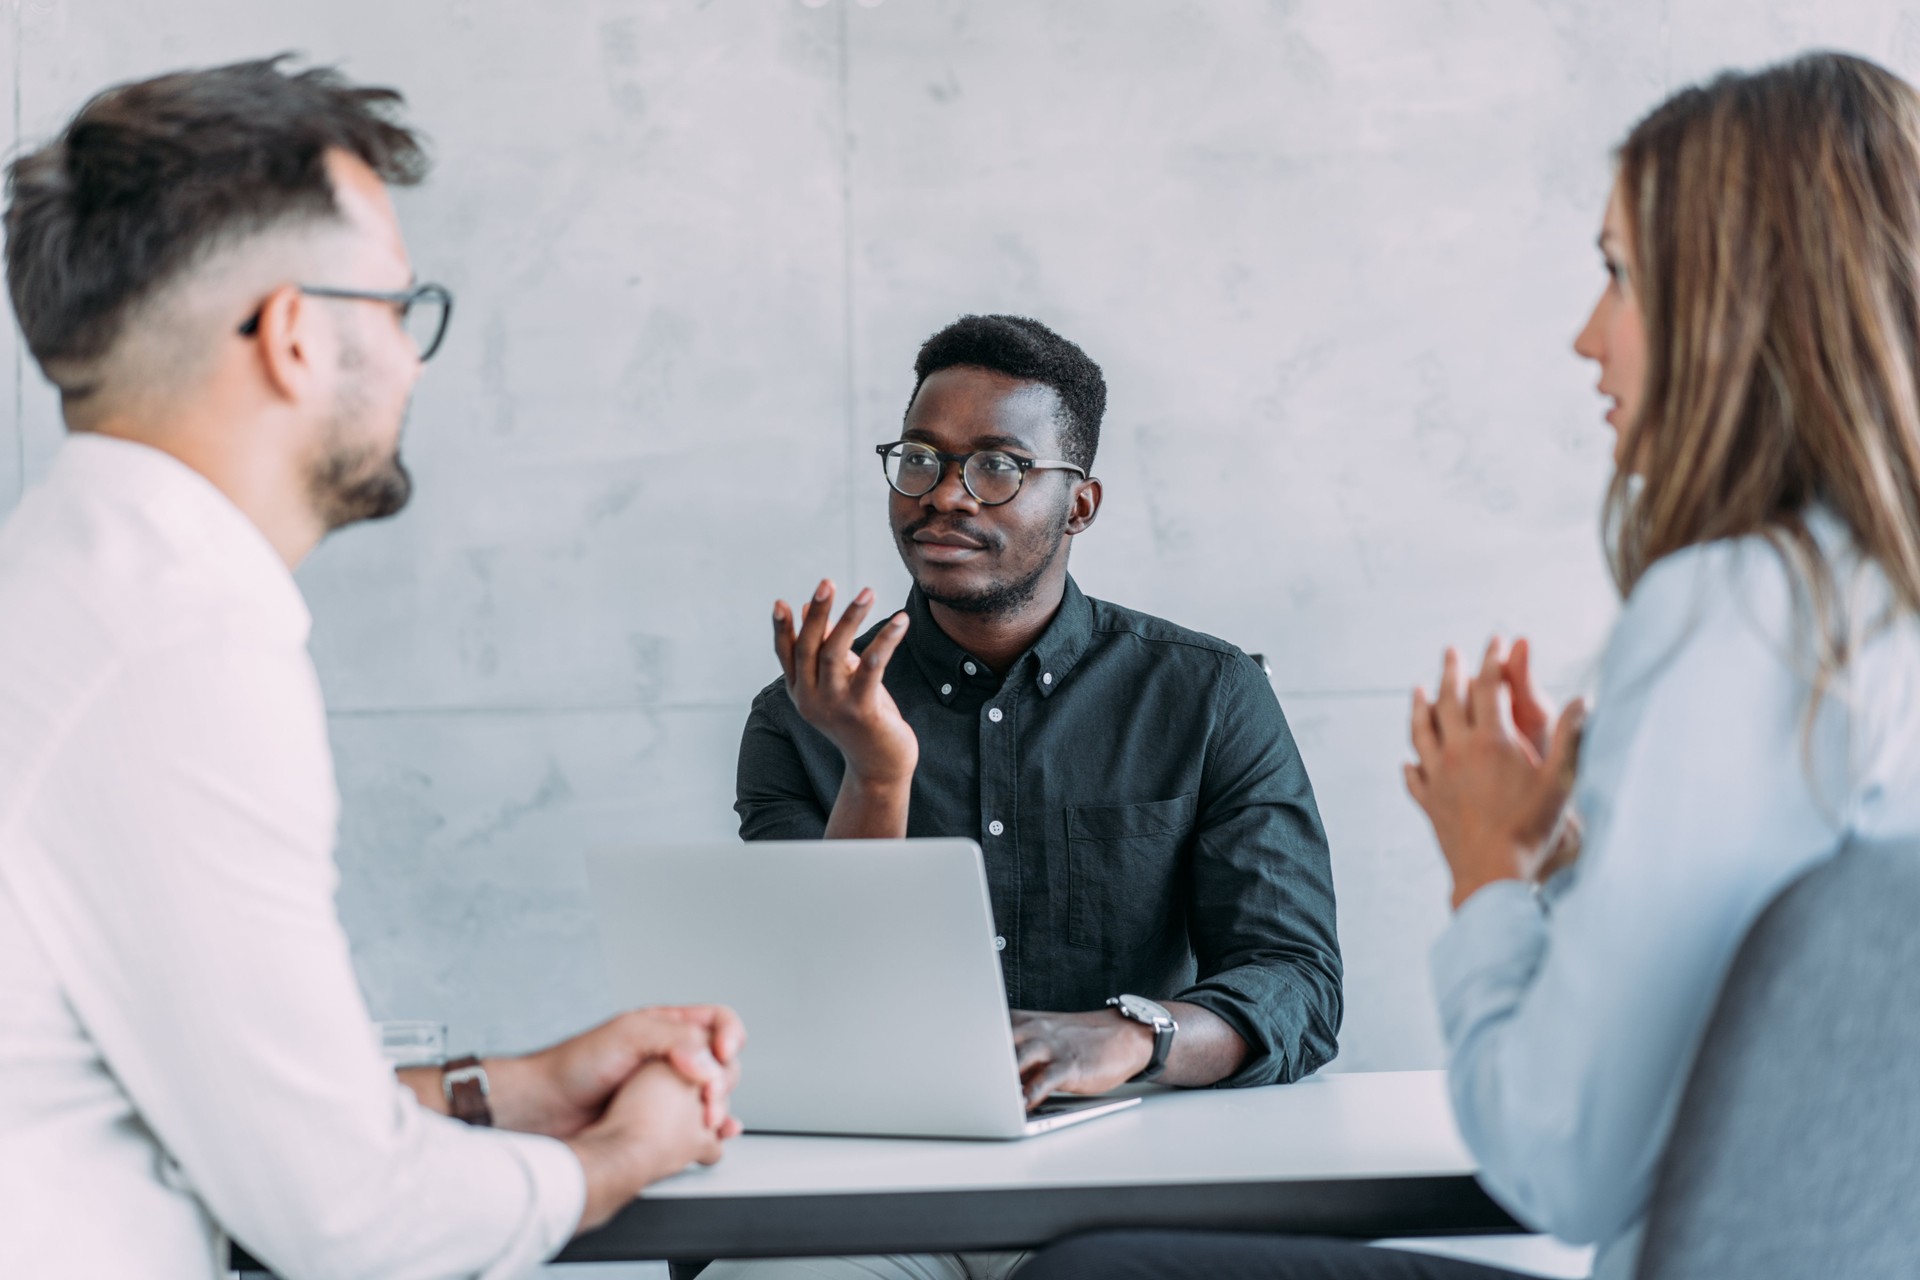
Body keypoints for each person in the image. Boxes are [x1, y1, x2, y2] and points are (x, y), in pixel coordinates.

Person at [1019, 49, 1920, 1280]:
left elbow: (1564, 1163)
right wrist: (1584, 867)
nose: (1588, 337)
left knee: (1096, 1274)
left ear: (1740, 294)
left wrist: (1488, 866)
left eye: (1620, 275)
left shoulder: (1741, 613)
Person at [0, 59, 743, 1280]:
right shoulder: (179, 648)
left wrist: (512, 1086)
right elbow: (352, 1215)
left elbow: (209, 1105)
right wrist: (624, 1153)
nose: (413, 360)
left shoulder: (70, 591)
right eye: (399, 307)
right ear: (296, 336)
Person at [724, 315, 1343, 1280]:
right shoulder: (803, 712)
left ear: (1079, 504)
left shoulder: (1207, 694)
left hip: (1125, 1173)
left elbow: (1295, 982)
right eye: (921, 459)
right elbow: (813, 995)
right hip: (873, 1185)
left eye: (998, 466)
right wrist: (877, 773)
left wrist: (1132, 1036)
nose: (944, 496)